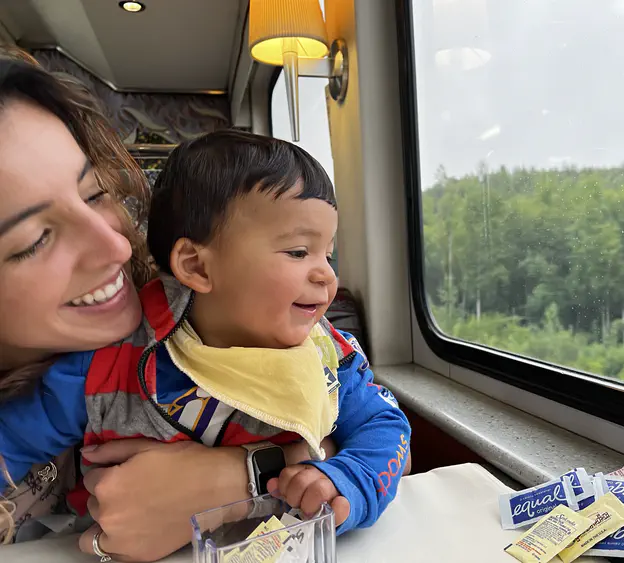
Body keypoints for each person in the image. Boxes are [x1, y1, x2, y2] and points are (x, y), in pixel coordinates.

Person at [0, 54, 410, 561]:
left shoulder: (328, 357)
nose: (118, 248)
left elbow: (384, 430)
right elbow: (12, 443)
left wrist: (343, 480)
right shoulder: (105, 365)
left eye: (95, 194)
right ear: (196, 265)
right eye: (299, 251)